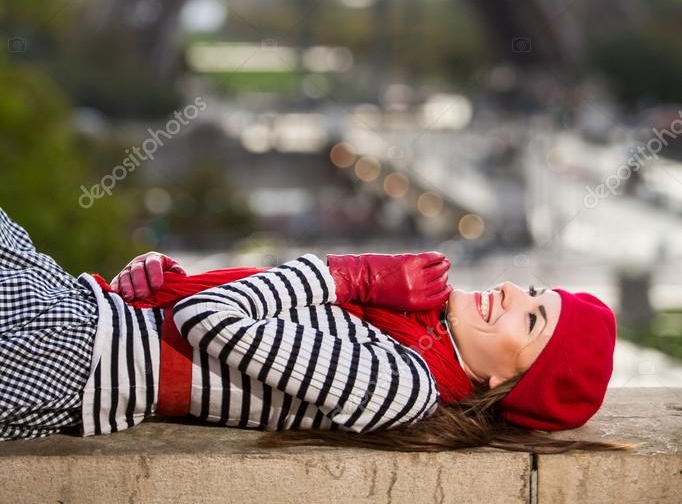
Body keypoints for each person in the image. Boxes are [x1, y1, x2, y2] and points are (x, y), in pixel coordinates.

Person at [0, 207, 636, 453]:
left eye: (531, 319)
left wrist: (347, 273)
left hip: (69, 352)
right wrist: (169, 284)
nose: (511, 294)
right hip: (78, 315)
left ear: (503, 382)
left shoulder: (402, 386)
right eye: (534, 293)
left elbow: (204, 321)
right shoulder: (410, 334)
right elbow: (209, 311)